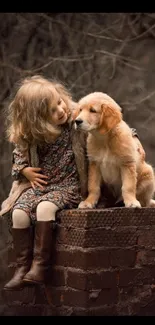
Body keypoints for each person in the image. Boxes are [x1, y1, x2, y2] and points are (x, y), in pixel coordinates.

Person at [2, 75, 88, 290]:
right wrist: (23, 170)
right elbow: (19, 151)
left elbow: (109, 124)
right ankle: (22, 268)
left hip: (69, 186)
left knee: (45, 208)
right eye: (51, 110)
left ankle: (41, 266)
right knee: (19, 213)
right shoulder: (33, 132)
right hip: (41, 186)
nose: (60, 110)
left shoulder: (76, 116)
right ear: (36, 119)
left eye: (59, 102)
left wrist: (132, 137)